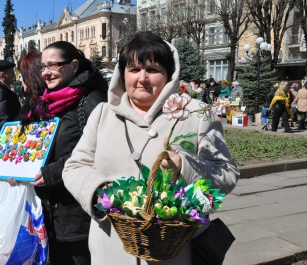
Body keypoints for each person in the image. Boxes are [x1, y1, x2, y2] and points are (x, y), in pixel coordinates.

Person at [62, 32, 239, 265]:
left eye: (153, 70)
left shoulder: (197, 113)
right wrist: (101, 191)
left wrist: (185, 166)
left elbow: (226, 174)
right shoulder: (103, 114)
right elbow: (75, 167)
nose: (142, 78)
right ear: (122, 74)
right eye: (134, 69)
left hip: (173, 253)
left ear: (169, 75)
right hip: (110, 248)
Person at [9, 44, 107, 265]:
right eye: (43, 66)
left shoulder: (92, 99)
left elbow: (101, 150)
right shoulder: (45, 101)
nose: (46, 72)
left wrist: (54, 172)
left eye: (53, 65)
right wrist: (16, 169)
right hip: (47, 211)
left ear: (73, 66)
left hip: (78, 212)